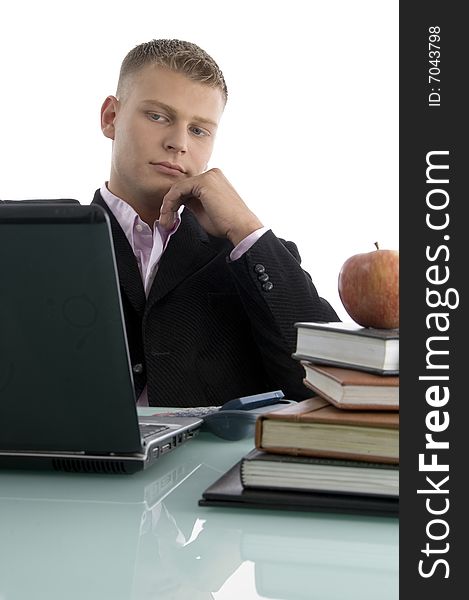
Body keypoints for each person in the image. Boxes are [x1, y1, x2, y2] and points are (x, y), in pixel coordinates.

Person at [94, 38, 339, 408]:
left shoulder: (247, 254)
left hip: (214, 465)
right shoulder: (36, 245)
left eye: (198, 130)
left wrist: (246, 229)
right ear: (111, 117)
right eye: (158, 116)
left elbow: (324, 379)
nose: (178, 143)